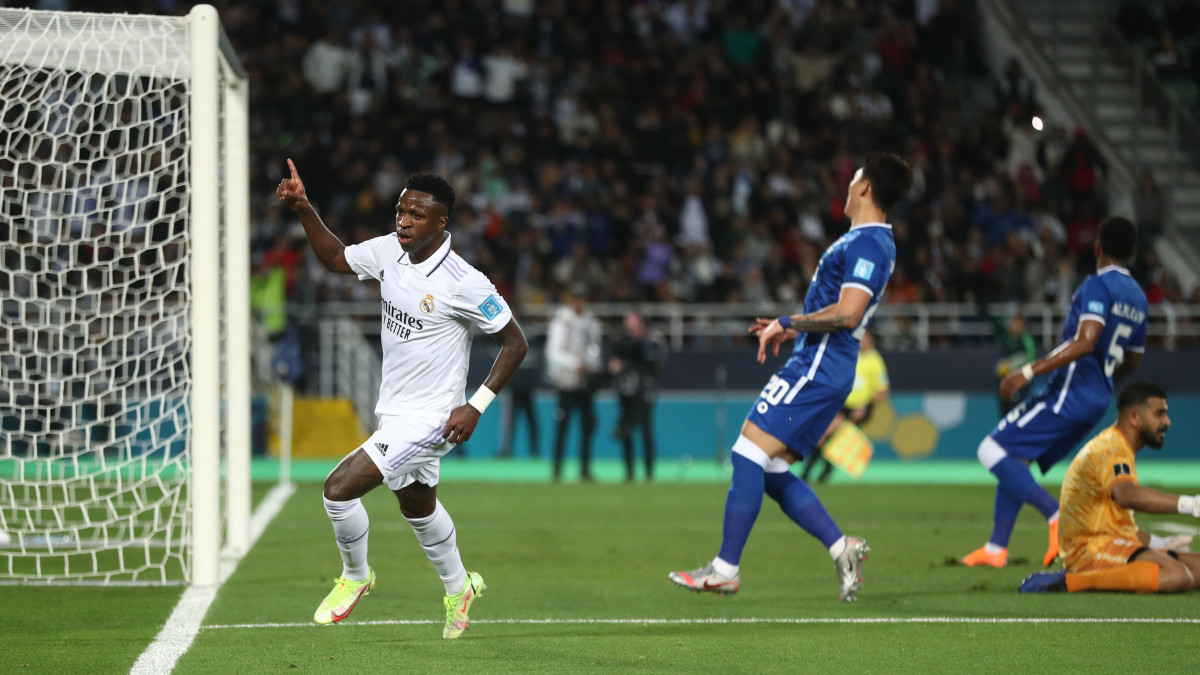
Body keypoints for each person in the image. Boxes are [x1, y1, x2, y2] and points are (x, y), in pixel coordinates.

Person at [276, 160, 529, 639]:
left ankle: (355, 577)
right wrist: (304, 208)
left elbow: (516, 342)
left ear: (441, 223)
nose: (404, 221)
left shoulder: (463, 280)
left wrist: (476, 405)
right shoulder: (390, 251)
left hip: (434, 418)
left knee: (337, 490)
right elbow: (335, 258)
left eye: (416, 215)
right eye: (401, 211)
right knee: (417, 505)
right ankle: (460, 587)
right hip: (394, 409)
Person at [668, 152, 913, 602]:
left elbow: (848, 313)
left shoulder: (870, 244)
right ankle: (843, 548)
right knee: (770, 466)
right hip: (820, 362)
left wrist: (790, 322)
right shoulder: (864, 240)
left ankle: (725, 569)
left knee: (746, 452)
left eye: (853, 177)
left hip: (822, 364)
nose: (847, 184)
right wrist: (790, 325)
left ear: (865, 188)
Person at [961, 216, 1148, 570]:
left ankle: (1054, 515)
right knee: (1016, 457)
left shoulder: (1097, 285)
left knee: (991, 449)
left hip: (1071, 391)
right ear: (1133, 252)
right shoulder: (1138, 297)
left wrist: (1027, 371)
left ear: (1097, 248)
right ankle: (996, 548)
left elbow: (1085, 341)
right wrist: (1104, 379)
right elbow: (1134, 360)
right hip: (1096, 397)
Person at [1020, 382, 1200, 594]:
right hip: (1089, 551)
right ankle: (1071, 582)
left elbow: (1116, 524)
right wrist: (1193, 505)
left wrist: (1162, 542)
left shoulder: (1119, 446)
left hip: (1112, 542)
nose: (1167, 422)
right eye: (1159, 414)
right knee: (1178, 575)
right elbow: (1127, 495)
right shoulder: (1112, 449)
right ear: (1134, 417)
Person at [800, 329, 890, 484]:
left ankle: (810, 474)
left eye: (865, 338)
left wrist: (865, 405)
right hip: (840, 403)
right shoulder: (848, 356)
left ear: (872, 341)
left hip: (859, 408)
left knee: (829, 435)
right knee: (824, 437)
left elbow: (882, 392)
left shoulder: (875, 361)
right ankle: (819, 472)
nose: (861, 341)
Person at [545, 284, 603, 481]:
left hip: (585, 382)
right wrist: (575, 364)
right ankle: (557, 469)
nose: (579, 302)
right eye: (575, 297)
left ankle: (585, 469)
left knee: (587, 428)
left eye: (581, 297)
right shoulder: (562, 321)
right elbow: (553, 353)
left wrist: (591, 363)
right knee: (563, 428)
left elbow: (595, 348)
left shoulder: (591, 321)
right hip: (567, 382)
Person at [608, 312, 663, 482]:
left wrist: (624, 364)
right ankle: (629, 471)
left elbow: (650, 361)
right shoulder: (622, 342)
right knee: (626, 430)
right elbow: (614, 361)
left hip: (643, 391)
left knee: (646, 430)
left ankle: (648, 471)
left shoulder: (650, 341)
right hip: (626, 391)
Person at [981, 306, 1038, 416]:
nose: (1013, 325)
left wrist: (1013, 367)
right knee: (1004, 415)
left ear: (1022, 325)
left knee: (1018, 414)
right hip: (1003, 382)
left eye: (1016, 323)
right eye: (1012, 322)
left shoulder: (1026, 339)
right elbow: (992, 320)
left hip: (1020, 384)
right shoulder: (1006, 336)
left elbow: (1031, 360)